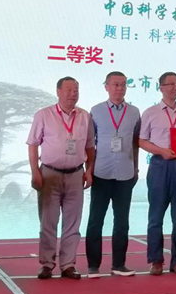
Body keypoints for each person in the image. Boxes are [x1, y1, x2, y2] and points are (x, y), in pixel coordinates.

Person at [27, 76, 95, 280]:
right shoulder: (43, 114)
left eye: (76, 90)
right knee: (48, 222)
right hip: (49, 174)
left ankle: (68, 264)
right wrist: (35, 171)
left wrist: (89, 170)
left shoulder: (85, 116)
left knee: (72, 224)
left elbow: (90, 147)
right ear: (58, 91)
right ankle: (47, 264)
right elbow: (33, 144)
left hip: (76, 174)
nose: (73, 94)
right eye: (68, 90)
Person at [139, 72, 176, 275]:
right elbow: (141, 141)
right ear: (161, 87)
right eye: (171, 84)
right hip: (160, 165)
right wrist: (161, 151)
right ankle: (156, 260)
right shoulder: (150, 113)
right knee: (156, 216)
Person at [85, 71, 141, 278]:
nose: (120, 88)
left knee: (122, 223)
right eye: (115, 84)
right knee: (95, 221)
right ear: (106, 87)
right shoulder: (96, 111)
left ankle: (119, 264)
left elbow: (136, 142)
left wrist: (135, 168)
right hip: (101, 172)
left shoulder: (134, 112)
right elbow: (89, 143)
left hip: (125, 173)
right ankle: (93, 266)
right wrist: (89, 169)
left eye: (123, 85)